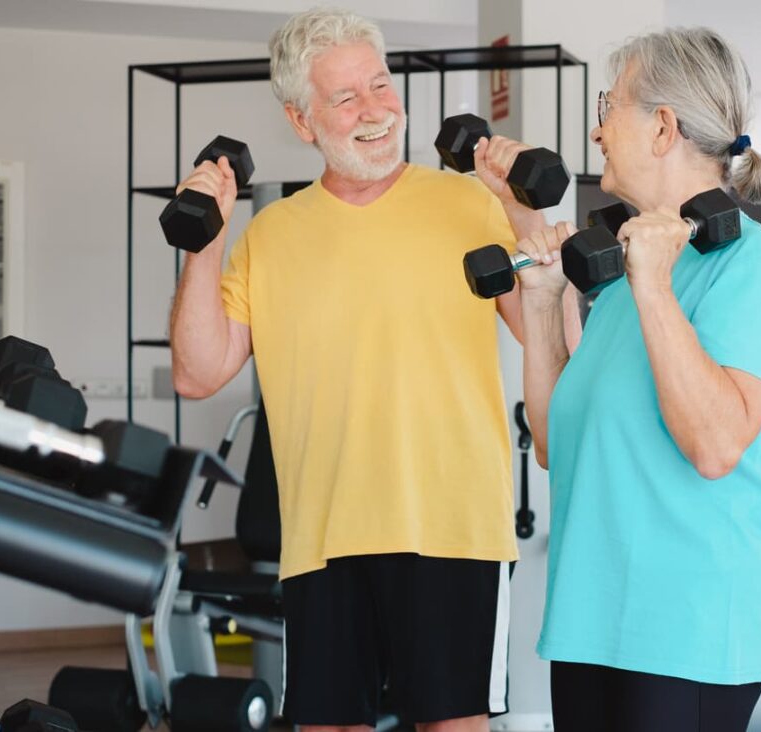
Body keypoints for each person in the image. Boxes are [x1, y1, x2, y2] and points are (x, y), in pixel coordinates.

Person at [168, 8, 551, 732]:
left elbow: (546, 333)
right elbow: (197, 372)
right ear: (302, 120)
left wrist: (523, 215)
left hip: (453, 529)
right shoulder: (271, 234)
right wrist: (205, 244)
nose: (375, 111)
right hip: (323, 533)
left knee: (452, 724)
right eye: (345, 97)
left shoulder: (471, 203)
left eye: (379, 85)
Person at [513, 27, 761, 732]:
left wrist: (653, 285)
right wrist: (544, 304)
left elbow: (715, 446)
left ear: (663, 127)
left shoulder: (752, 265)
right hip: (590, 622)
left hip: (686, 629)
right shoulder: (622, 281)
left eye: (608, 107)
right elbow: (554, 443)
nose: (597, 130)